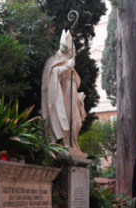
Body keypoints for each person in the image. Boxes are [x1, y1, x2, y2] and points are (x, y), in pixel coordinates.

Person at [41, 29, 86, 157]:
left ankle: (73, 145)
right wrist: (67, 67)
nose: (73, 54)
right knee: (65, 121)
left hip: (72, 98)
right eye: (72, 51)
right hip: (62, 98)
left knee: (76, 123)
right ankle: (66, 144)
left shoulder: (69, 63)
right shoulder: (53, 61)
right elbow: (52, 77)